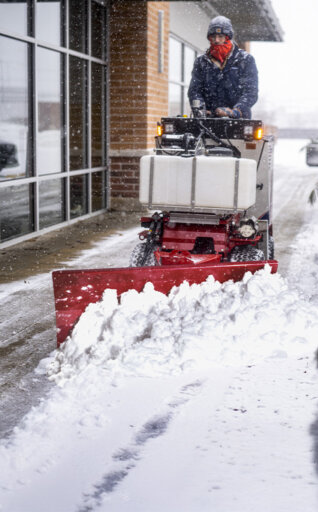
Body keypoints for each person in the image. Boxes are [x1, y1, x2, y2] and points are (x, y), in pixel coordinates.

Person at [188, 15, 258, 119]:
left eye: (220, 37)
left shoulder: (245, 60)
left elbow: (251, 91)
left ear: (228, 38)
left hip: (239, 121)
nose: (216, 40)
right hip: (207, 121)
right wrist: (200, 109)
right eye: (213, 37)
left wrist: (236, 111)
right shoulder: (201, 62)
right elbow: (194, 90)